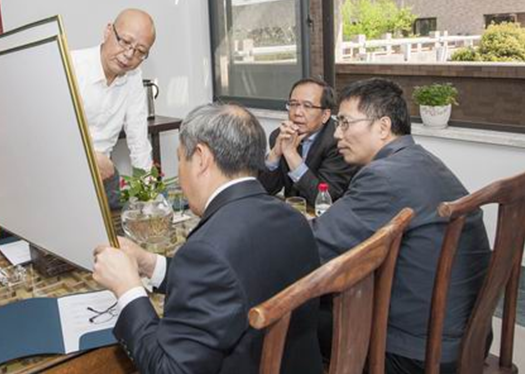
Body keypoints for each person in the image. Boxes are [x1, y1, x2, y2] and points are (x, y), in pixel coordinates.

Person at [93, 103, 322, 374]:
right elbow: (231, 280)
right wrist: (149, 263)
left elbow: (169, 370)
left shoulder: (207, 252)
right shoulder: (293, 218)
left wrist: (128, 289)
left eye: (180, 159)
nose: (180, 172)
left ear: (201, 158)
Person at [312, 78, 491, 374]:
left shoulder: (384, 176)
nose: (337, 134)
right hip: (469, 338)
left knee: (293, 315)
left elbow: (317, 247)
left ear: (383, 127)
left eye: (344, 123)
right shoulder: (423, 160)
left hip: (417, 354)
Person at [70, 8, 155, 208]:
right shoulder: (72, 65)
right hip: (65, 174)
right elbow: (47, 129)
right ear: (108, 31)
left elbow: (138, 139)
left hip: (104, 177)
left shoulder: (133, 77)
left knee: (119, 226)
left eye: (140, 51)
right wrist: (90, 157)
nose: (129, 55)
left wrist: (148, 196)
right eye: (124, 42)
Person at [258, 77, 356, 205]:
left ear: (325, 115)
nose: (297, 112)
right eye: (293, 104)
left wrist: (291, 155)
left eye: (307, 106)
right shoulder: (280, 136)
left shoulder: (339, 142)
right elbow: (264, 190)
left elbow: (324, 200)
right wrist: (275, 155)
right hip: (293, 211)